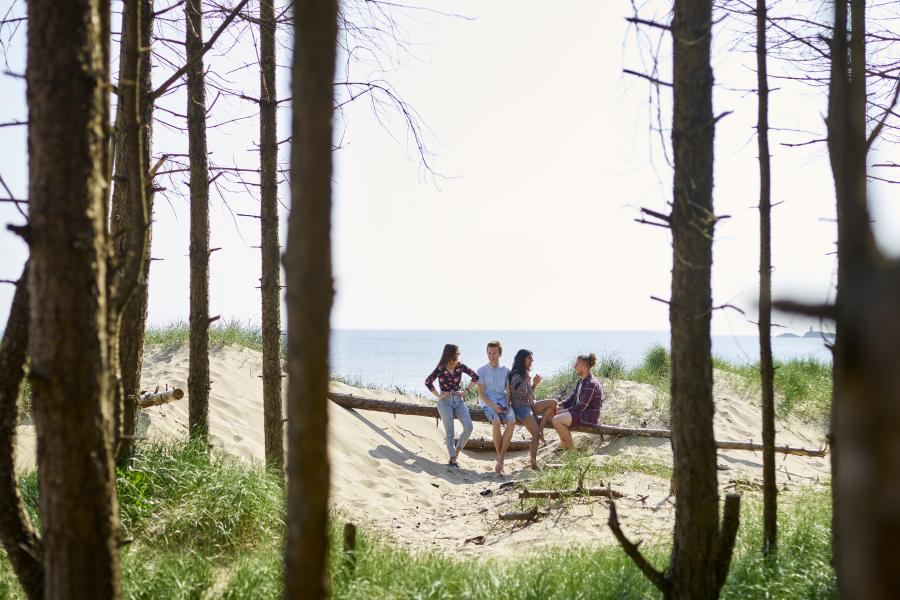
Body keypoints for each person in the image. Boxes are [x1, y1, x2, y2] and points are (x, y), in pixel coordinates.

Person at [425, 344, 478, 468]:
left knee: (469, 427)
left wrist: (465, 392)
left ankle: (456, 453)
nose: (459, 354)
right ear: (450, 353)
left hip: (459, 401)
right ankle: (453, 459)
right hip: (445, 402)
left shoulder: (461, 366)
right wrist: (438, 396)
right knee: (450, 433)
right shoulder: (441, 368)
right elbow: (428, 381)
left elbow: (475, 377)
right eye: (457, 352)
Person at [506, 349, 556, 469]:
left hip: (530, 404)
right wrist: (532, 384)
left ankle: (541, 428)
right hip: (521, 408)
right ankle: (534, 465)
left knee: (553, 403)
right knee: (535, 435)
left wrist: (534, 384)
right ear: (522, 359)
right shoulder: (516, 375)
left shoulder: (525, 374)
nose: (532, 361)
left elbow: (530, 395)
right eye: (529, 358)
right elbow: (519, 396)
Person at [548, 353, 604, 450]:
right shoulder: (581, 381)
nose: (574, 367)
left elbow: (582, 406)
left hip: (588, 416)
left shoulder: (591, 383)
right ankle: (564, 442)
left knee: (556, 420)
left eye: (576, 365)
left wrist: (563, 411)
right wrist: (560, 405)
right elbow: (572, 399)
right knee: (551, 414)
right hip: (580, 412)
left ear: (584, 367)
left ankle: (572, 451)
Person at [476, 340, 516, 474]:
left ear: (500, 354)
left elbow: (508, 391)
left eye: (494, 353)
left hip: (503, 402)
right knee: (496, 422)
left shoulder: (506, 371)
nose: (492, 356)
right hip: (488, 403)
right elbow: (481, 393)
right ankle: (499, 459)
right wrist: (493, 406)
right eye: (489, 353)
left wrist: (506, 405)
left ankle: (501, 457)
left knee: (511, 421)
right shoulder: (481, 371)